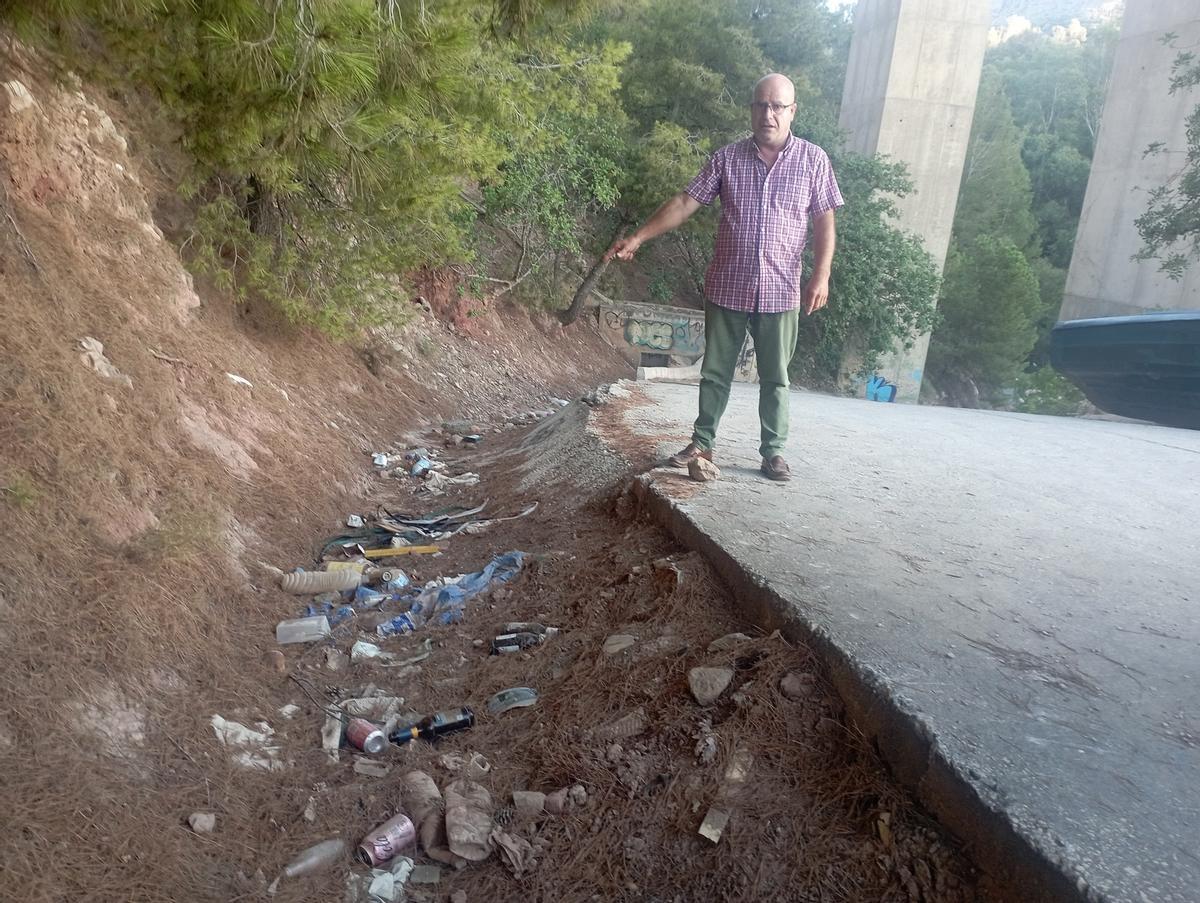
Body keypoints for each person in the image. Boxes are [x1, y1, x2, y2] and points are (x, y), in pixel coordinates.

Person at [605, 73, 843, 482]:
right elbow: (684, 202)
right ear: (751, 110)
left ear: (792, 112)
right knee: (714, 372)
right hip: (727, 286)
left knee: (776, 377)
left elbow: (824, 221)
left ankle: (773, 453)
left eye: (777, 106)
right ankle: (702, 441)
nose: (768, 114)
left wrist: (820, 275)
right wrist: (639, 237)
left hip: (781, 291)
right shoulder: (726, 159)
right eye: (761, 105)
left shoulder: (813, 160)